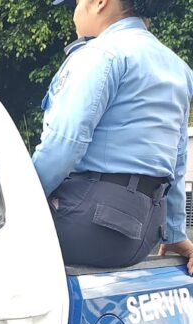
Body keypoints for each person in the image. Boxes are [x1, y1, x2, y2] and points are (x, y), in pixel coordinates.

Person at [36, 0, 193, 271]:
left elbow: (64, 144)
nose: (74, 13)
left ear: (100, 3)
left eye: (77, 2)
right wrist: (175, 234)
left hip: (90, 223)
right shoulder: (178, 68)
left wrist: (20, 199)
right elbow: (177, 163)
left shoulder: (101, 53)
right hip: (142, 234)